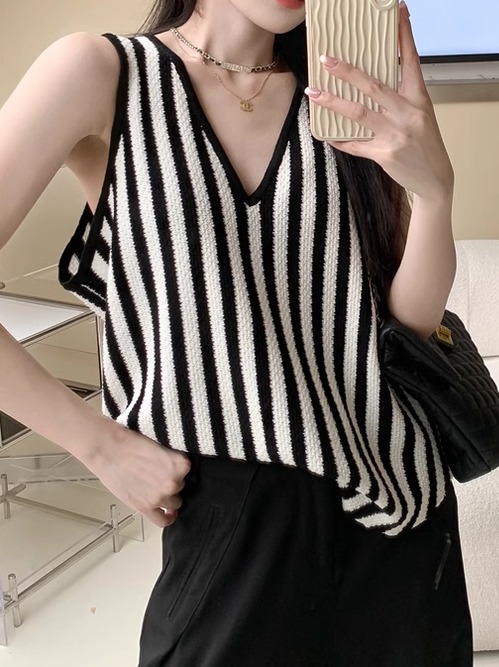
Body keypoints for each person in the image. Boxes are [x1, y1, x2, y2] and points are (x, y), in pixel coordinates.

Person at [0, 0, 472, 664]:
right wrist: (97, 443)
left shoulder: (341, 87)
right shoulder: (104, 74)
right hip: (232, 521)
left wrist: (435, 195)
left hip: (400, 513)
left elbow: (406, 326)